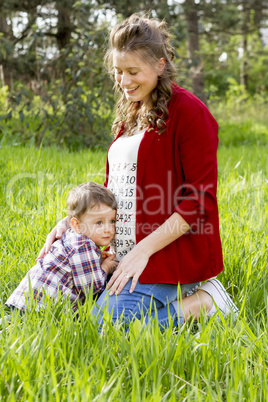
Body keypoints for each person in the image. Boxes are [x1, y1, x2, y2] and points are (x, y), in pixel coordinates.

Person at [38, 15, 238, 328]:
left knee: (107, 328)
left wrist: (142, 252)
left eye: (133, 72)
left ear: (160, 65)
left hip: (166, 258)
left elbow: (199, 202)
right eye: (118, 71)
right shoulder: (131, 112)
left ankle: (207, 301)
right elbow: (114, 189)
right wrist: (73, 223)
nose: (124, 81)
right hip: (121, 257)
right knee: (67, 313)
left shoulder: (189, 112)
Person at [6, 182, 117, 313]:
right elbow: (91, 287)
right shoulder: (83, 244)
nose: (108, 229)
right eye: (99, 223)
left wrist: (96, 261)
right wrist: (106, 267)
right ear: (76, 224)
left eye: (112, 221)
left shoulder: (73, 237)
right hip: (40, 307)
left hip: (27, 299)